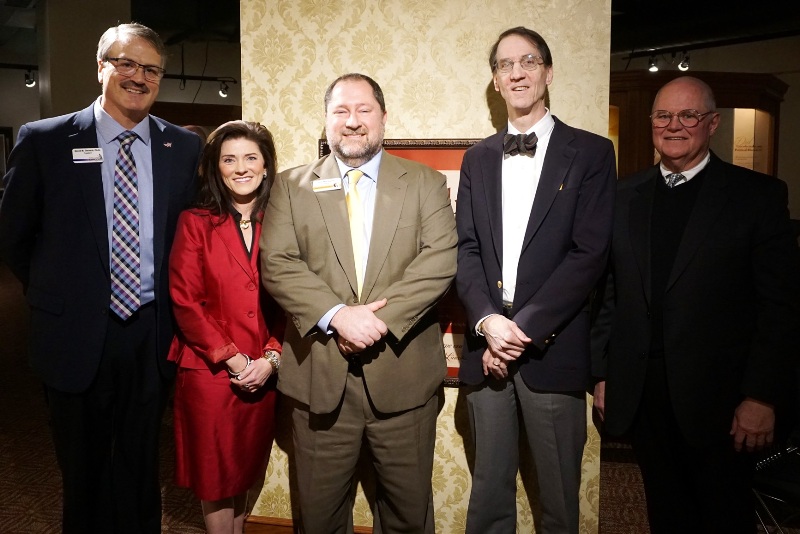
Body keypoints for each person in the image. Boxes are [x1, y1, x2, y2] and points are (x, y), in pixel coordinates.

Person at [0, 23, 203, 533]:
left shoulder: (182, 148)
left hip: (152, 331)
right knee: (82, 469)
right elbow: (13, 236)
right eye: (126, 63)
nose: (139, 77)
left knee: (141, 466)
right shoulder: (46, 140)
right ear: (101, 67)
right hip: (72, 332)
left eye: (151, 69)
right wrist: (58, 292)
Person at [591, 76, 800, 533]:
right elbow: (611, 293)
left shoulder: (757, 197)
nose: (674, 126)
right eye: (664, 115)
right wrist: (604, 374)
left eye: (689, 115)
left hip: (723, 402)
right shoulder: (624, 195)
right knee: (665, 514)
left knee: (724, 517)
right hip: (644, 395)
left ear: (713, 123)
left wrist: (761, 396)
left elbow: (781, 307)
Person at [260, 73, 457, 533]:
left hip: (405, 381)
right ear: (327, 120)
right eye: (341, 111)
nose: (352, 121)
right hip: (319, 381)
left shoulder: (425, 183)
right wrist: (339, 318)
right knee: (319, 519)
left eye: (363, 110)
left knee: (408, 517)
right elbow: (278, 263)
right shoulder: (290, 186)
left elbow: (440, 260)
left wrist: (373, 322)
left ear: (383, 117)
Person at [455, 26, 616, 534]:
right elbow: (467, 250)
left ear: (548, 73)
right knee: (488, 500)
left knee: (559, 505)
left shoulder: (591, 153)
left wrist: (518, 331)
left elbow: (589, 255)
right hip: (485, 352)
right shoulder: (477, 158)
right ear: (495, 81)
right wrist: (488, 323)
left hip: (553, 352)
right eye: (505, 65)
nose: (517, 72)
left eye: (528, 61)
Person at [167, 121, 284, 534]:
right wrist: (236, 360)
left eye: (251, 158)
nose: (241, 168)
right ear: (216, 168)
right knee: (216, 477)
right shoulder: (195, 222)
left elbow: (292, 303)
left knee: (245, 470)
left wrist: (271, 358)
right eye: (229, 159)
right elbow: (186, 302)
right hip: (211, 371)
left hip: (265, 372)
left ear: (266, 166)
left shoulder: (282, 222)